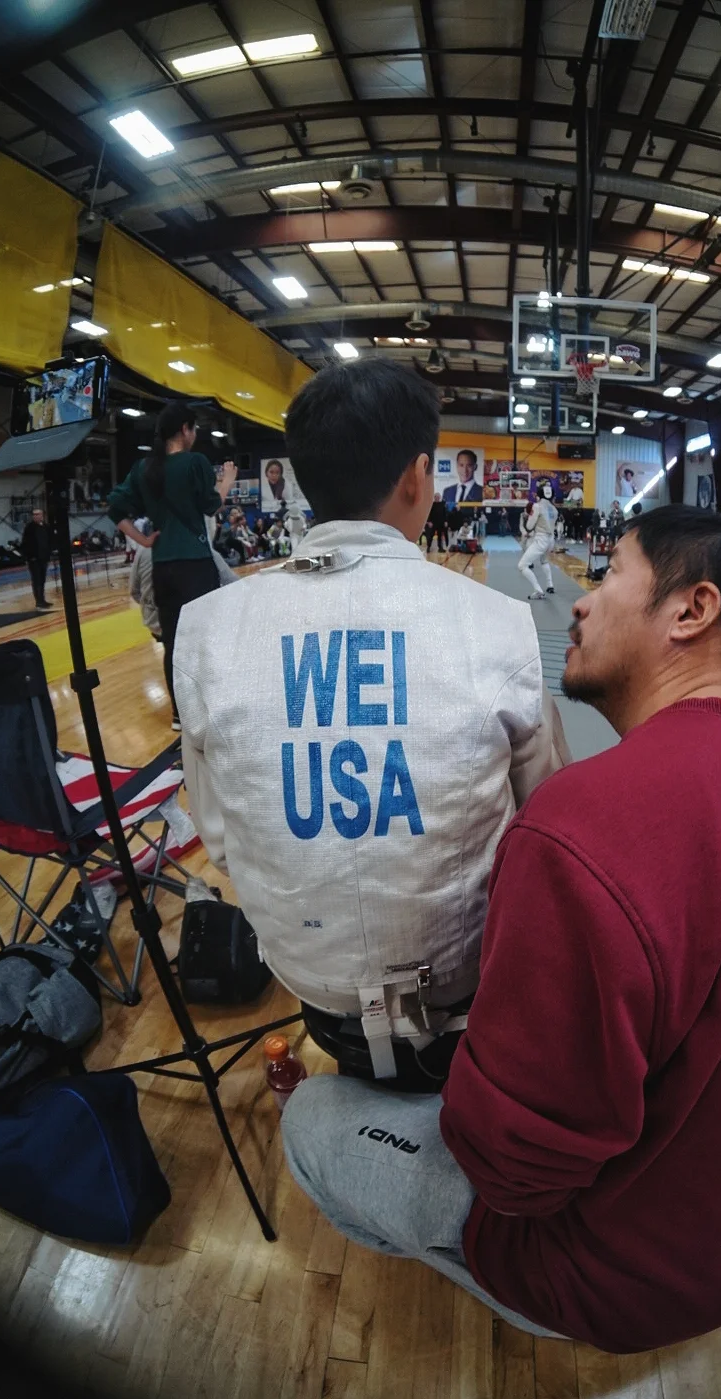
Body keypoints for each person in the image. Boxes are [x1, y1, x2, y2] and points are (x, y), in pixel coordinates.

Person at [281, 507, 721, 1351]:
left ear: (692, 610)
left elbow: (510, 1174)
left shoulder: (583, 822)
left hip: (627, 1275)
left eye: (609, 573)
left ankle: (476, 1273)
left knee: (311, 1116)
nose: (582, 601)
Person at [173, 359, 568, 1091]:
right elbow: (548, 822)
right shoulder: (499, 624)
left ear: (300, 478)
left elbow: (220, 838)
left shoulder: (202, 629)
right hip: (462, 974)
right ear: (417, 477)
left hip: (306, 972)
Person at [109, 402, 236, 731]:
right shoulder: (195, 463)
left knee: (173, 644)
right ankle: (209, 709)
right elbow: (211, 506)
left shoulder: (144, 468)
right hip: (195, 565)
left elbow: (115, 506)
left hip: (163, 566)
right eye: (194, 429)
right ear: (185, 429)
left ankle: (180, 714)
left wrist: (143, 539)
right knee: (204, 639)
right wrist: (227, 481)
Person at [130, 519, 236, 637]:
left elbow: (134, 592)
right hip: (190, 625)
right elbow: (233, 583)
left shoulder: (142, 551)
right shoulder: (201, 548)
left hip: (155, 623)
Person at [519, 485, 557, 599]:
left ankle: (538, 590)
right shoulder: (554, 509)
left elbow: (529, 526)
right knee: (544, 561)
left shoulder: (537, 506)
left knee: (522, 565)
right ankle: (550, 585)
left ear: (540, 495)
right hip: (551, 540)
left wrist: (528, 517)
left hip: (541, 539)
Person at [19, 507, 52, 609]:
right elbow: (25, 543)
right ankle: (38, 601)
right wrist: (30, 556)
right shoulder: (29, 528)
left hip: (44, 557)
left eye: (38, 514)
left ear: (42, 516)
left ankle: (42, 599)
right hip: (34, 558)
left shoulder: (46, 526)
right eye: (34, 515)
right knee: (36, 579)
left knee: (42, 579)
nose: (36, 516)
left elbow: (49, 541)